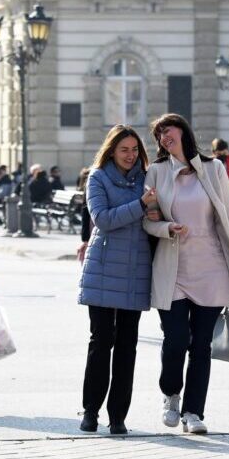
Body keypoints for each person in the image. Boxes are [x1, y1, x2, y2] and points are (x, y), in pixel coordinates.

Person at [143, 114, 229, 434]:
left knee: (202, 344)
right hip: (173, 267)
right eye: (158, 134)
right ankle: (171, 396)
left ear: (183, 131)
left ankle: (193, 412)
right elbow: (147, 219)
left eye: (168, 130)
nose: (163, 136)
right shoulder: (156, 172)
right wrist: (166, 228)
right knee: (176, 339)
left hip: (212, 267)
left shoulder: (214, 168)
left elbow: (226, 219)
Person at [77, 125, 154, 435]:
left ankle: (118, 415)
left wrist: (155, 214)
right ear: (111, 151)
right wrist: (141, 206)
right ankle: (90, 411)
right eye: (124, 149)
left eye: (135, 150)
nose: (130, 155)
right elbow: (103, 219)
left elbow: (156, 214)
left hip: (136, 270)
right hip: (103, 270)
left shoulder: (147, 179)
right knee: (101, 342)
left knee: (127, 346)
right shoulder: (98, 177)